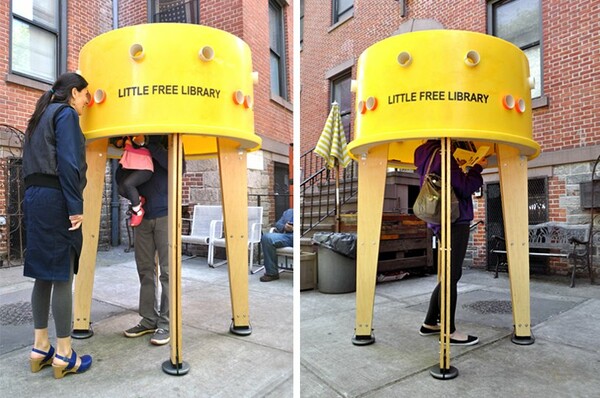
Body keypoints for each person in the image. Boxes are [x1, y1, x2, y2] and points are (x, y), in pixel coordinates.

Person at [22, 72, 93, 378]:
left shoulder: (38, 116)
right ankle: (65, 353)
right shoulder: (64, 114)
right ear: (74, 93)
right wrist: (76, 206)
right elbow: (69, 162)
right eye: (85, 95)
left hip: (34, 198)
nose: (88, 101)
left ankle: (40, 347)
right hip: (57, 198)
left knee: (42, 274)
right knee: (63, 273)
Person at [414, 139, 487, 346]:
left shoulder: (425, 152)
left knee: (449, 274)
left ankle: (430, 322)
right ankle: (449, 331)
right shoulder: (444, 153)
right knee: (452, 275)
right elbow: (464, 187)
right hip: (455, 219)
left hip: (439, 218)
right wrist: (477, 168)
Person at [123, 135, 171, 345]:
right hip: (143, 217)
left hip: (165, 216)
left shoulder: (170, 144)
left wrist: (149, 144)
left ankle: (166, 323)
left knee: (168, 272)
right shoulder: (133, 145)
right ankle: (149, 319)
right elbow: (122, 178)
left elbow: (177, 168)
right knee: (145, 269)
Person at [114, 135, 153, 227]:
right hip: (129, 164)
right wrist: (121, 142)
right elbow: (116, 142)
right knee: (121, 189)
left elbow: (143, 142)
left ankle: (138, 211)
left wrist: (135, 140)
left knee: (128, 184)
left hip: (143, 164)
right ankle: (138, 200)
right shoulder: (125, 133)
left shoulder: (142, 132)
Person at [259, 208, 294, 282]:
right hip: (287, 236)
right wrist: (285, 227)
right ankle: (272, 273)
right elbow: (277, 224)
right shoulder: (289, 212)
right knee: (267, 237)